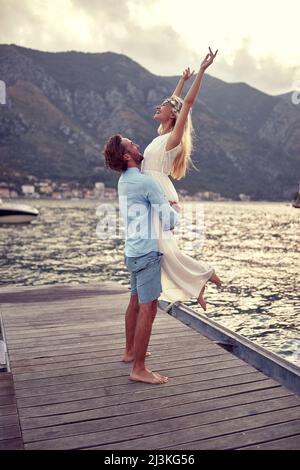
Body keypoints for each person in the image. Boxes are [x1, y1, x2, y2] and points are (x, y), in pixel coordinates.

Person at [141, 47, 222, 311]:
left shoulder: (172, 139)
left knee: (162, 251)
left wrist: (201, 71)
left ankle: (202, 275)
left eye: (162, 106)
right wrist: (181, 81)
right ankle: (199, 281)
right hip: (154, 192)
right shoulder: (159, 135)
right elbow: (175, 101)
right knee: (161, 250)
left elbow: (184, 104)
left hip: (160, 194)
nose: (158, 106)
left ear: (172, 115)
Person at [104, 135, 179, 384]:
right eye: (132, 145)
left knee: (134, 301)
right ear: (127, 156)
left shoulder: (124, 181)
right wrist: (174, 209)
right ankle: (138, 368)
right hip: (146, 253)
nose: (137, 145)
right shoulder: (146, 182)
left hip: (132, 251)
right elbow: (168, 222)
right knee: (148, 309)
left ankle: (129, 351)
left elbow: (146, 208)